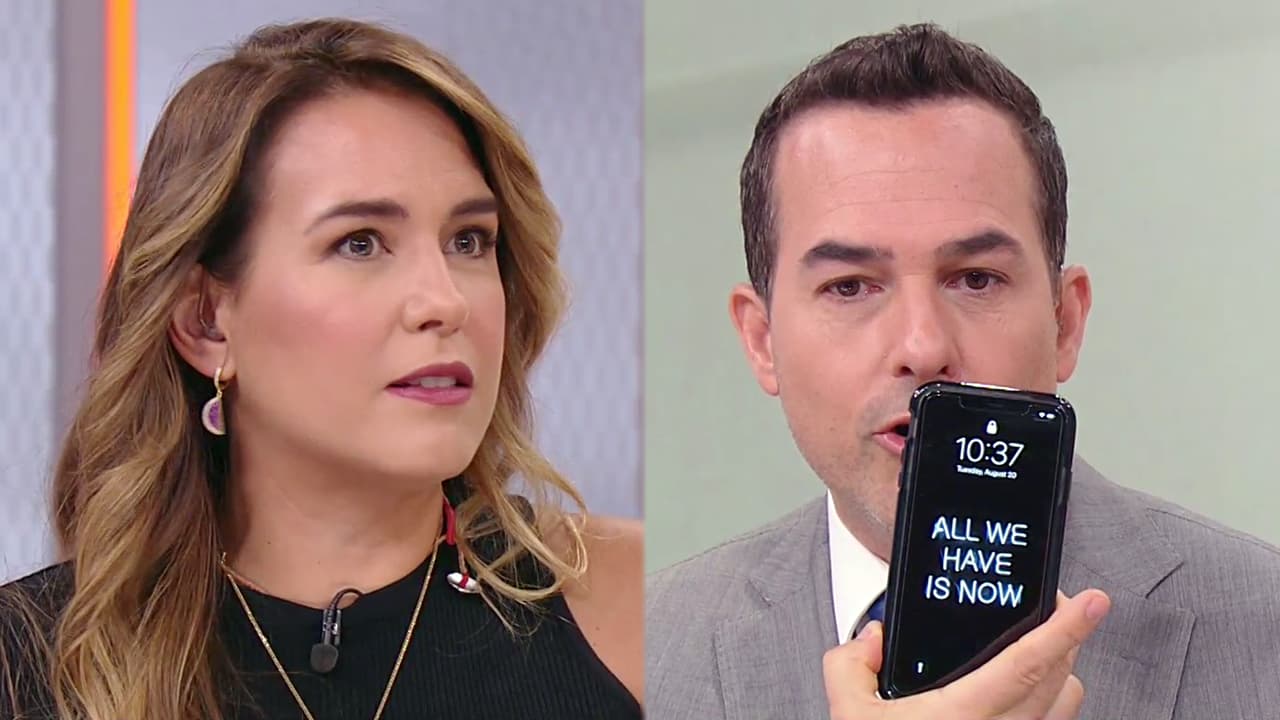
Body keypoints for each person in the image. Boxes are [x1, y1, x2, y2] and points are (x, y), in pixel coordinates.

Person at [0, 17, 642, 720]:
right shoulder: (27, 663)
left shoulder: (637, 606)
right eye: (360, 243)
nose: (445, 302)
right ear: (206, 323)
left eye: (469, 240)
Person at [645, 22, 1280, 720]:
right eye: (850, 286)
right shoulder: (653, 651)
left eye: (976, 278)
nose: (923, 346)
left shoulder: (1265, 626)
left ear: (1065, 323)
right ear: (761, 340)